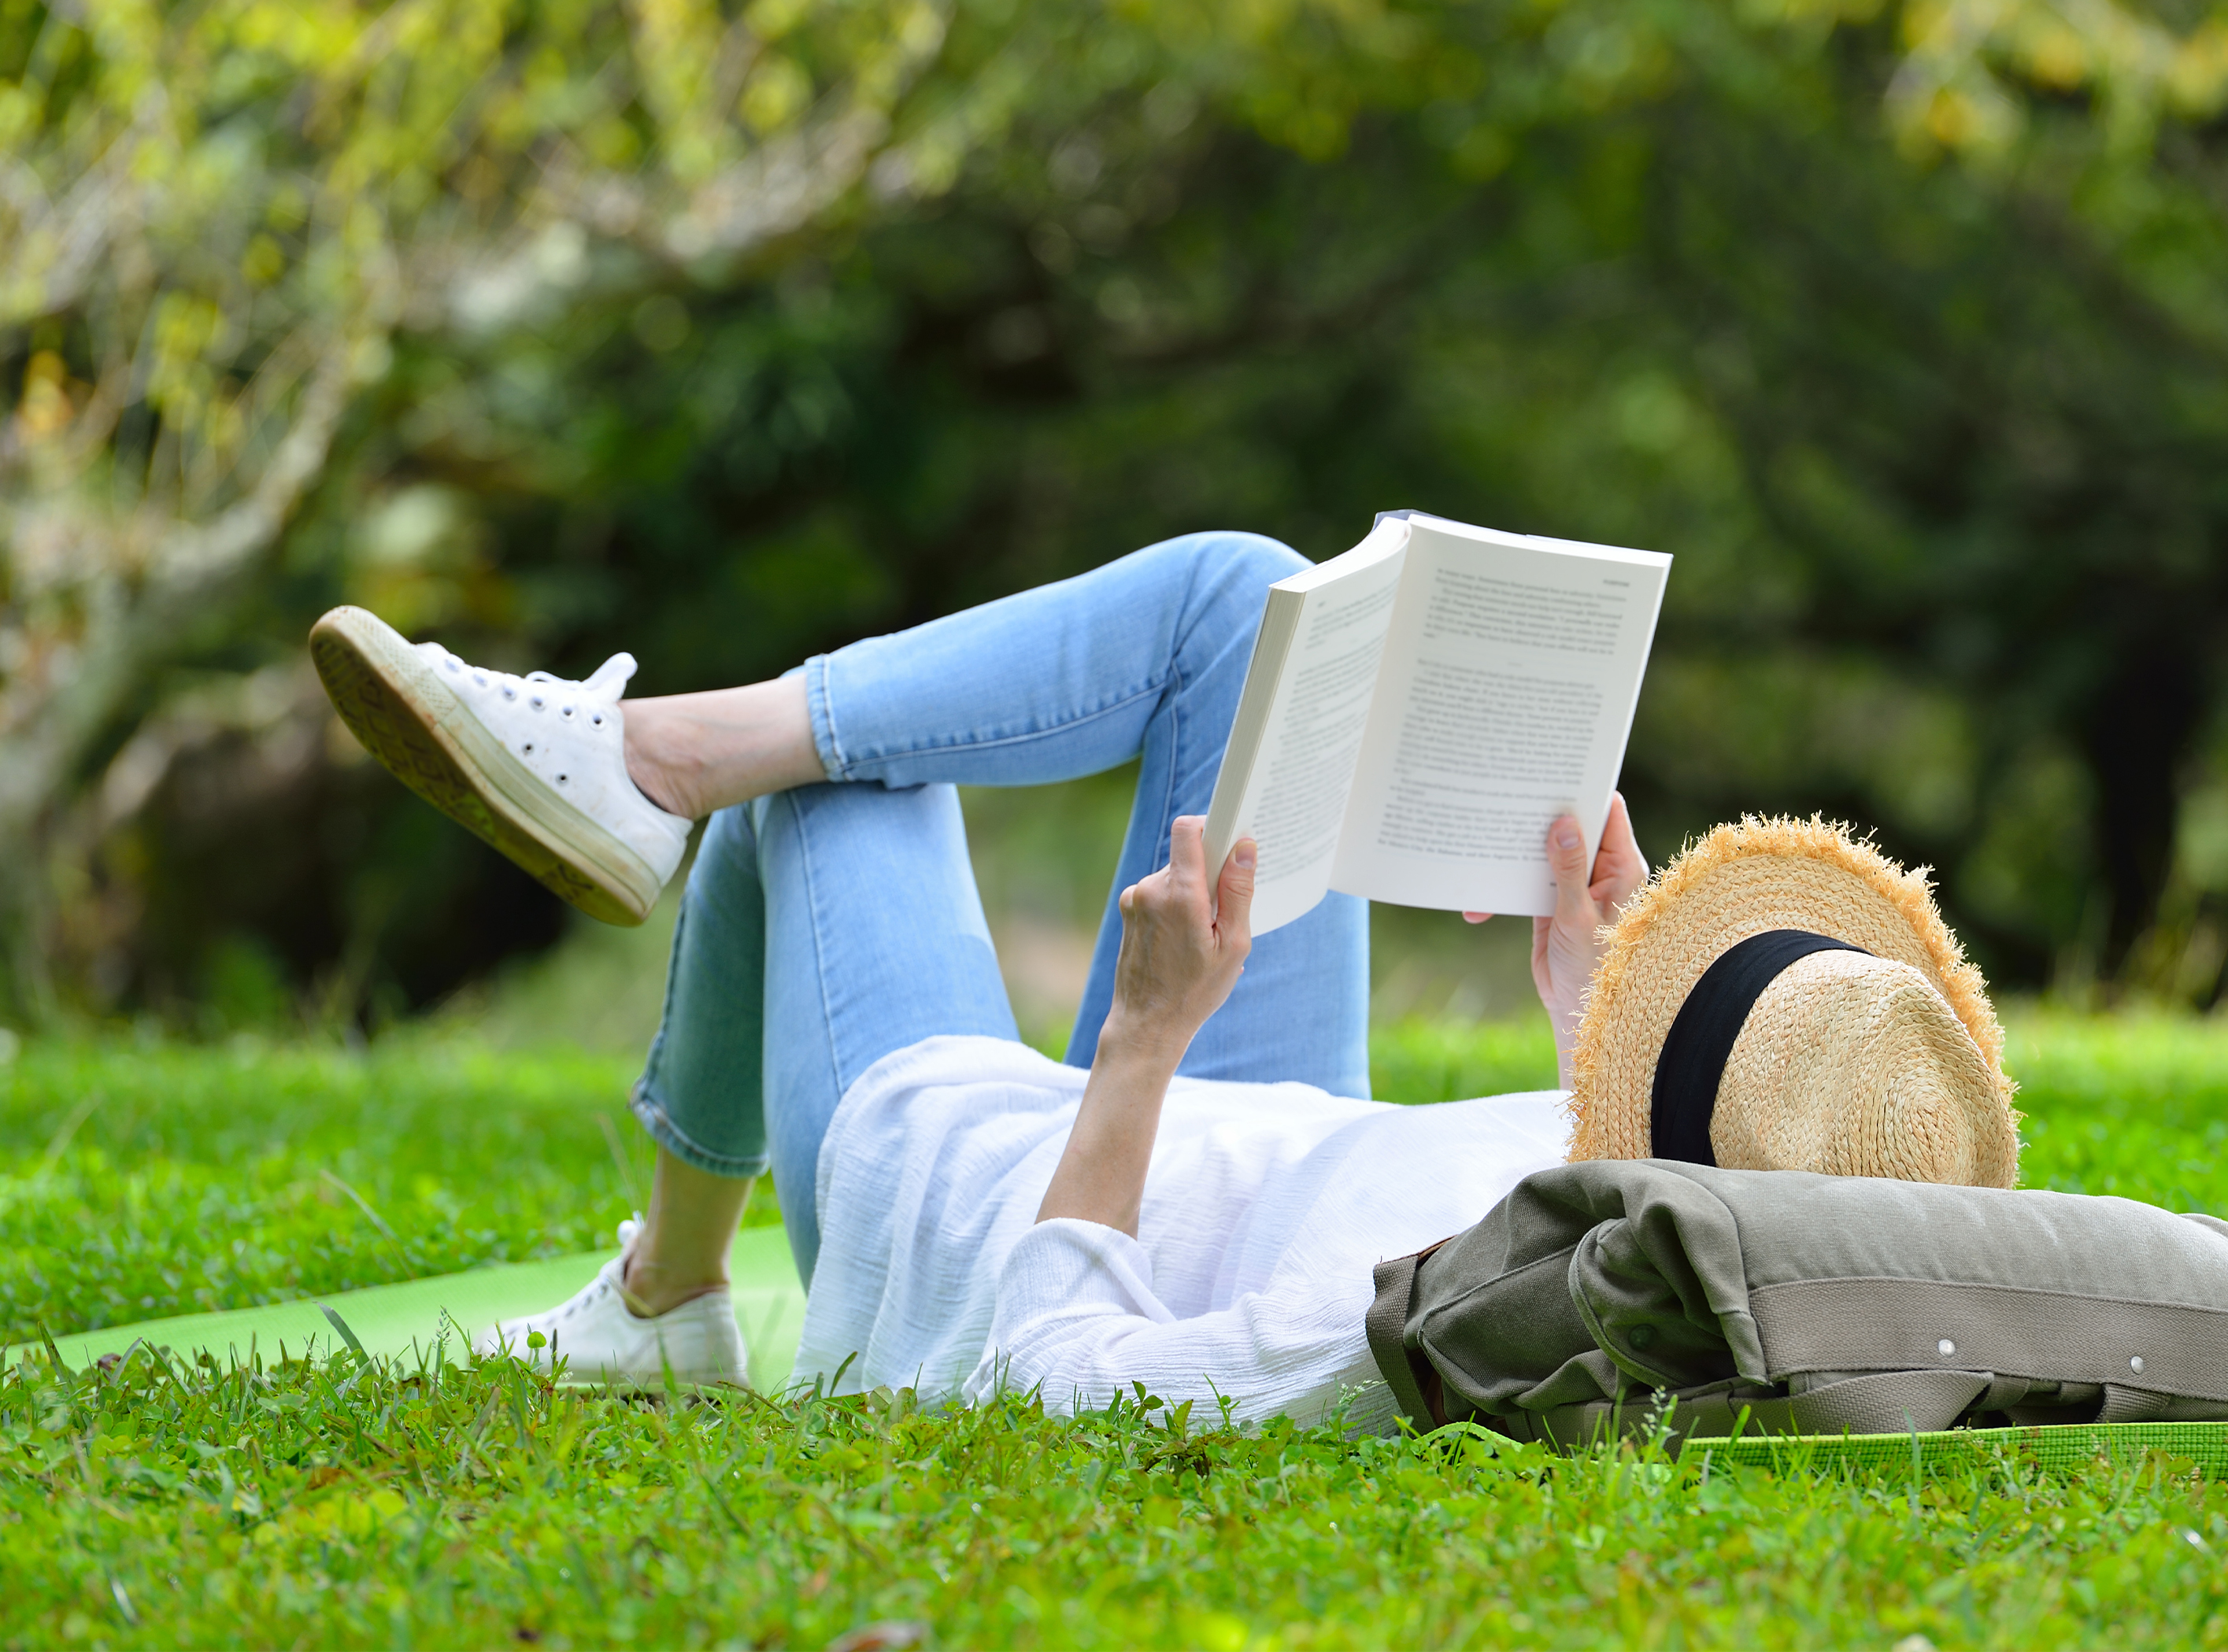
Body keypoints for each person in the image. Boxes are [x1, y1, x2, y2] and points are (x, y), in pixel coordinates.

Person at [311, 530, 2015, 1429]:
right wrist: (1595, 1013)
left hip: (989, 1202)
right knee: (1240, 599)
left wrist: (1142, 1039)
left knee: (827, 784)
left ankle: (655, 789)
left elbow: (1059, 1378)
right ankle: (652, 798)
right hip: (1268, 1133)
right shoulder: (1738, 1225)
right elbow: (1613, 1201)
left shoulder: (1445, 1320)